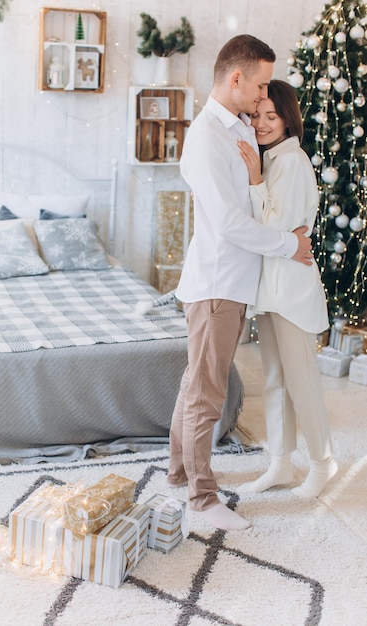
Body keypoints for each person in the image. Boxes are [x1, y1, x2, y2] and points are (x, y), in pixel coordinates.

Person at [166, 35, 314, 531]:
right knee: (207, 392)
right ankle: (201, 501)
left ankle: (180, 472)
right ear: (237, 78)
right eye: (261, 84)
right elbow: (230, 222)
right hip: (217, 283)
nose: (263, 96)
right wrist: (288, 245)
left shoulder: (239, 129)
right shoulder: (208, 135)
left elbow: (254, 202)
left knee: (196, 383)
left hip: (231, 283)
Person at [237, 79, 338, 498]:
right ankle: (280, 464)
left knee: (302, 382)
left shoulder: (291, 160)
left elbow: (276, 229)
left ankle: (323, 463)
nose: (261, 123)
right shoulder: (272, 158)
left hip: (291, 292)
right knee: (276, 380)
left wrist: (256, 179)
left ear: (287, 119)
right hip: (270, 289)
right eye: (257, 114)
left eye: (271, 116)